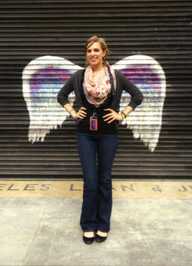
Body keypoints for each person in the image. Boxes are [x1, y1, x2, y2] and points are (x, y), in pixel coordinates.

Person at [57, 36, 143, 244]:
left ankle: (103, 224)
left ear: (104, 53)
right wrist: (73, 112)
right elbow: (61, 96)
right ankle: (88, 224)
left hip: (108, 134)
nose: (92, 54)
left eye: (96, 50)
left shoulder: (116, 77)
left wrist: (121, 115)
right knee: (90, 180)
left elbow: (137, 96)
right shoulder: (79, 77)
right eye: (89, 51)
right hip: (84, 133)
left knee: (104, 179)